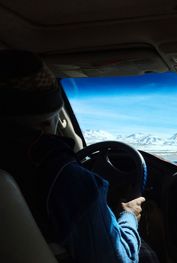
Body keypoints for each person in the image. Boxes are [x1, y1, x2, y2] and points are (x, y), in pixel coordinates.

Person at [0, 49, 158, 263]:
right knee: (147, 253)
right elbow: (119, 260)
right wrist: (129, 215)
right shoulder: (66, 178)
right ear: (48, 122)